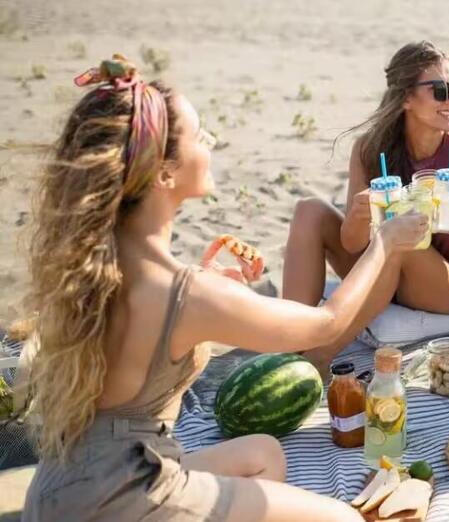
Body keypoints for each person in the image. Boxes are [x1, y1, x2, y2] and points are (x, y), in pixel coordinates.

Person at [19, 56, 427, 522]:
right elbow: (325, 325)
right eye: (200, 137)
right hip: (122, 494)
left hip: (65, 484)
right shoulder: (185, 292)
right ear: (164, 173)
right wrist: (384, 245)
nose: (212, 145)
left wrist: (210, 283)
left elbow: (152, 325)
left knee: (263, 454)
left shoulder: (98, 261)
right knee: (346, 519)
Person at [283, 41, 449, 371]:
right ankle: (291, 342)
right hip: (380, 267)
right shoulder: (370, 149)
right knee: (310, 209)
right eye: (441, 90)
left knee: (402, 235)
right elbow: (352, 243)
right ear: (407, 97)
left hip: (444, 287)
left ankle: (321, 356)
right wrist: (357, 215)